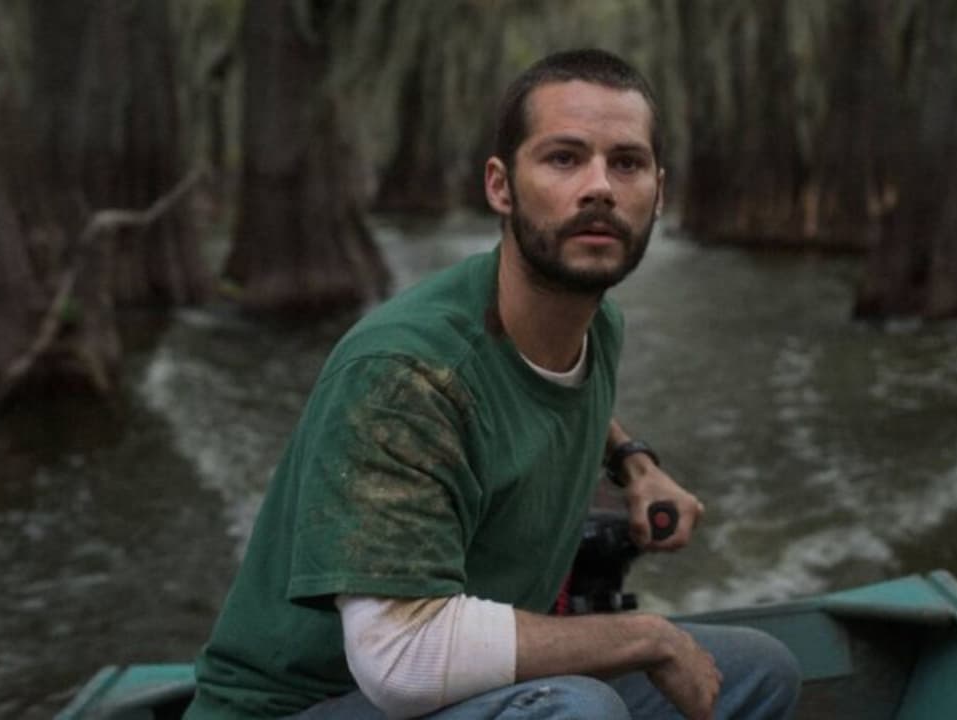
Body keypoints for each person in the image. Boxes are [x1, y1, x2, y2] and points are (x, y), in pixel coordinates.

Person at [185, 48, 800, 720]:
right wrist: (644, 636)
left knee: (759, 671)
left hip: (461, 691)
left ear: (659, 191)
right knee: (576, 710)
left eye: (625, 163)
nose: (599, 186)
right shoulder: (405, 373)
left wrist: (634, 462)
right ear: (500, 186)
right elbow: (401, 660)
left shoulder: (596, 327)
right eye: (564, 158)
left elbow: (545, 390)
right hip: (310, 703)